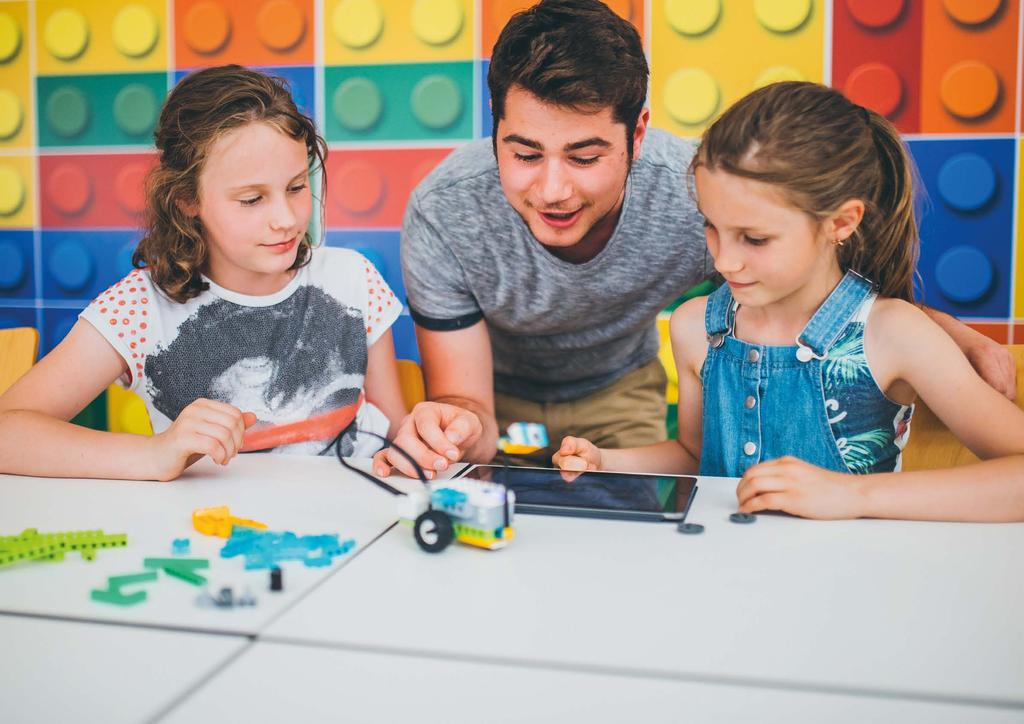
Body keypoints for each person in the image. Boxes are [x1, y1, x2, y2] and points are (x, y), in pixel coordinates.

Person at [375, 0, 1017, 481]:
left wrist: (940, 330)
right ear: (496, 131)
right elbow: (467, 401)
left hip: (619, 390)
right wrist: (455, 425)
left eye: (584, 155)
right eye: (524, 153)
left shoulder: (704, 193)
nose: (552, 190)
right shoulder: (444, 213)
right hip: (499, 392)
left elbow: (817, 281)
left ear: (638, 131)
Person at [554, 81, 1024, 522]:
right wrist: (607, 461)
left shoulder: (895, 333)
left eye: (754, 239)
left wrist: (855, 496)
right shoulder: (696, 326)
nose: (725, 262)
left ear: (841, 223)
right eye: (712, 226)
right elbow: (697, 456)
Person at [0, 66, 406, 481]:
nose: (285, 219)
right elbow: (7, 433)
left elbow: (395, 436)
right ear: (187, 201)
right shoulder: (140, 307)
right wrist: (154, 455)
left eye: (297, 187)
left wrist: (420, 439)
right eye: (252, 199)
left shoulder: (352, 278)